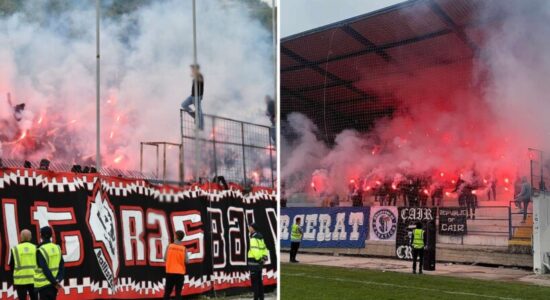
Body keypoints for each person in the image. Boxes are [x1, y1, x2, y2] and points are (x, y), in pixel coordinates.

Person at [35, 226, 64, 300]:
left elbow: (45, 269)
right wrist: (58, 279)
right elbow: (62, 266)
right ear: (51, 235)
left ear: (41, 236)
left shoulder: (40, 249)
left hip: (42, 285)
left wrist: (54, 282)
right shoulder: (57, 247)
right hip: (53, 285)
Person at [9, 229, 37, 300]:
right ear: (30, 237)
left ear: (21, 237)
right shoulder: (36, 248)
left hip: (20, 280)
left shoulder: (15, 249)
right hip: (34, 279)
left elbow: (11, 265)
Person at [163, 230, 190, 300]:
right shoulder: (184, 248)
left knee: (167, 293)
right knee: (178, 293)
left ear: (176, 236)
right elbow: (187, 261)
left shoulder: (169, 246)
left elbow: (165, 258)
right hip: (180, 273)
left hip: (170, 272)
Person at [247, 223, 269, 300]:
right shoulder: (260, 237)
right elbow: (264, 249)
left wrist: (258, 259)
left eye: (250, 227)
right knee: (259, 281)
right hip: (259, 263)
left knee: (255, 283)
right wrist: (264, 258)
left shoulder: (253, 238)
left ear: (253, 228)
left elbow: (254, 250)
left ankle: (256, 298)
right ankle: (261, 297)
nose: (248, 228)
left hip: (254, 262)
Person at [181, 64, 204, 130]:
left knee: (199, 110)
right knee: (184, 104)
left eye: (193, 69)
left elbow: (201, 85)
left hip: (197, 96)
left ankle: (200, 127)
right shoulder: (195, 76)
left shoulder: (199, 76)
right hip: (193, 95)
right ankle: (194, 115)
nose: (191, 70)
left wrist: (200, 96)